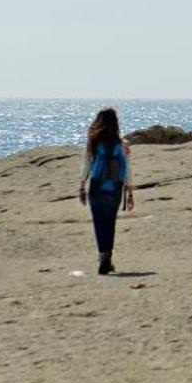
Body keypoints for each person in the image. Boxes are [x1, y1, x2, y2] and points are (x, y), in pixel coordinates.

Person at [77, 107, 134, 274]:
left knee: (99, 223)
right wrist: (130, 191)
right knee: (110, 223)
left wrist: (82, 186)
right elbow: (128, 168)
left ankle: (103, 257)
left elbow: (86, 164)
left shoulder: (93, 142)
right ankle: (107, 258)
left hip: (96, 186)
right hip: (115, 188)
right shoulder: (122, 145)